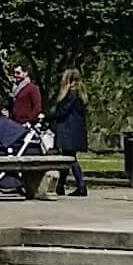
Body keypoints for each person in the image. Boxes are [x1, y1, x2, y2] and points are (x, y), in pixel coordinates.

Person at [49, 68, 89, 197]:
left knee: (71, 159)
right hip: (74, 130)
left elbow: (63, 112)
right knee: (67, 158)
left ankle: (81, 186)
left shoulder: (71, 94)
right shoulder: (79, 94)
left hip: (68, 130)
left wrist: (48, 116)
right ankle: (60, 186)